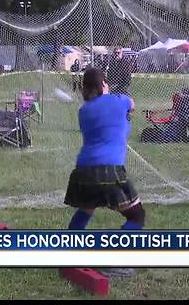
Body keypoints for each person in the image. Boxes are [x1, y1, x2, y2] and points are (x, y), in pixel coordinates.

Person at [63, 67, 144, 278]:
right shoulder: (120, 100)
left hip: (83, 171)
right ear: (104, 84)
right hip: (109, 170)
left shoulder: (83, 111)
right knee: (137, 216)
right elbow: (131, 105)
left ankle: (68, 252)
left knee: (86, 209)